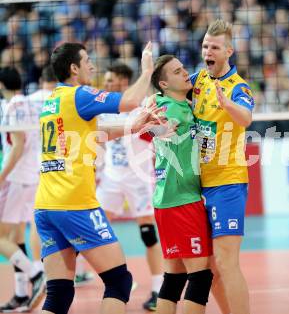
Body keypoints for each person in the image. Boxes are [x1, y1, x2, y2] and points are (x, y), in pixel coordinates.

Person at [33, 41, 165, 314]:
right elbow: (129, 101)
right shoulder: (79, 94)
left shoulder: (52, 101)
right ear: (73, 68)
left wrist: (132, 126)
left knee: (58, 295)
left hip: (46, 205)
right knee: (119, 282)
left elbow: (97, 129)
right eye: (87, 61)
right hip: (75, 204)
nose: (92, 65)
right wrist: (147, 71)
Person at [190, 19, 254, 314]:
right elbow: (171, 88)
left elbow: (246, 119)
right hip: (198, 184)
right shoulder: (199, 80)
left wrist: (227, 103)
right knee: (210, 268)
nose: (208, 51)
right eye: (205, 46)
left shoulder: (238, 87)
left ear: (229, 51)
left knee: (227, 263)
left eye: (214, 47)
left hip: (227, 182)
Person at [150, 54, 214, 314]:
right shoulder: (171, 110)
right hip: (182, 201)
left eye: (183, 68)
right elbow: (164, 125)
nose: (185, 72)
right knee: (200, 277)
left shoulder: (174, 104)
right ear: (164, 84)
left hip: (166, 201)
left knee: (174, 277)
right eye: (176, 72)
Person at [97, 63, 163, 311]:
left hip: (140, 179)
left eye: (111, 80)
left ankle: (158, 289)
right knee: (97, 231)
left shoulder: (142, 106)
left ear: (124, 82)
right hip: (112, 179)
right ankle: (115, 277)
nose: (106, 84)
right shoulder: (103, 108)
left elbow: (158, 134)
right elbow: (101, 139)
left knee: (148, 234)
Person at [0, 66, 46, 312]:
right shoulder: (26, 103)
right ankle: (20, 295)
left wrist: (1, 177)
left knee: (0, 237)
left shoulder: (14, 106)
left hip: (16, 179)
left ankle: (36, 273)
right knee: (15, 238)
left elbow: (17, 146)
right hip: (29, 177)